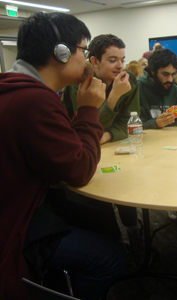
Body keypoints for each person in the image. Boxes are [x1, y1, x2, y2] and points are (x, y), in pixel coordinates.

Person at [0, 12, 126, 300]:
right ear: (61, 52)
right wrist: (89, 109)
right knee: (112, 256)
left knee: (101, 221)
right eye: (84, 50)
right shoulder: (36, 101)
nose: (86, 59)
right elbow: (79, 169)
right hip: (18, 225)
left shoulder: (15, 88)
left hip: (20, 206)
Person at [61, 34, 141, 258]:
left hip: (111, 145)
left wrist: (106, 135)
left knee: (126, 183)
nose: (120, 66)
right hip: (82, 149)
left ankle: (134, 230)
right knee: (99, 193)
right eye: (113, 60)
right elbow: (85, 126)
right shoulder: (79, 84)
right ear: (94, 62)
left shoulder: (130, 80)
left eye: (123, 59)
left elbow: (130, 122)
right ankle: (111, 240)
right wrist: (114, 96)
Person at [138, 48, 177, 129]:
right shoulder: (138, 89)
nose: (170, 79)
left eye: (173, 74)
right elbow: (130, 126)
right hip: (146, 140)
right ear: (152, 71)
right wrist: (155, 123)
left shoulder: (176, 91)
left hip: (172, 140)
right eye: (165, 74)